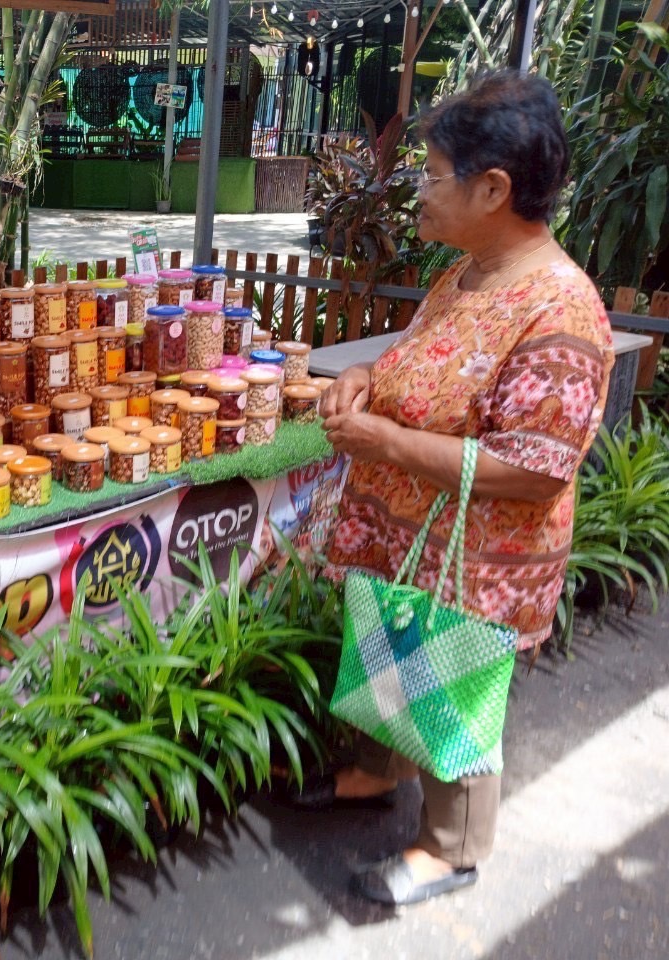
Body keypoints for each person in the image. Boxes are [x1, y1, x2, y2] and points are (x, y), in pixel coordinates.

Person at [298, 72, 614, 906]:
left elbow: (537, 466)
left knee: (456, 687)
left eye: (431, 175)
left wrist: (387, 440)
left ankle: (451, 845)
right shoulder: (465, 277)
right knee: (393, 651)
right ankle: (374, 772)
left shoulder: (561, 309)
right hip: (412, 531)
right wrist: (363, 379)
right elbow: (417, 365)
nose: (417, 194)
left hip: (480, 556)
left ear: (494, 188)